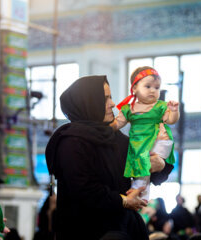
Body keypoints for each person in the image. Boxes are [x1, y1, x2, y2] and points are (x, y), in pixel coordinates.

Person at [45, 75, 174, 240]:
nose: (113, 104)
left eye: (110, 97)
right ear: (89, 103)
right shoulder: (71, 142)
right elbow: (84, 190)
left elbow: (149, 169)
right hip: (85, 230)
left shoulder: (113, 137)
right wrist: (124, 201)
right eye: (105, 98)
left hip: (123, 228)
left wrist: (160, 163)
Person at [110, 66, 179, 202]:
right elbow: (117, 124)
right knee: (142, 164)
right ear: (134, 88)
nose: (153, 90)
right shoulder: (128, 109)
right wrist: (103, 126)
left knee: (147, 163)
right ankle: (142, 196)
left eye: (157, 87)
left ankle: (137, 191)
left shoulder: (161, 106)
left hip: (159, 141)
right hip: (140, 143)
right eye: (148, 86)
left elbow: (171, 120)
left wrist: (174, 111)